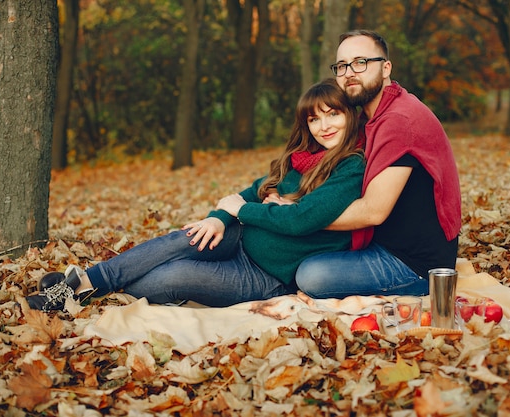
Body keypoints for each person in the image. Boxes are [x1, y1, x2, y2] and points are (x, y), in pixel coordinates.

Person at [26, 78, 366, 311]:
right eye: (313, 119)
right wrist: (220, 218)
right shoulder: (300, 159)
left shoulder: (350, 166)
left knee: (171, 276)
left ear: (351, 115)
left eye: (333, 113)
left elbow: (303, 219)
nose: (324, 126)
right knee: (185, 238)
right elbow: (250, 192)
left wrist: (241, 210)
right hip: (239, 239)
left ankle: (86, 287)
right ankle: (81, 284)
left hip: (268, 276)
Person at [291, 30, 462, 299]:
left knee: (310, 274)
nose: (349, 73)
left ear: (385, 68)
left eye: (360, 62)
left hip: (414, 265)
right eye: (342, 66)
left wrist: (296, 215)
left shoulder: (399, 121)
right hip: (381, 242)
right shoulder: (371, 116)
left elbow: (372, 212)